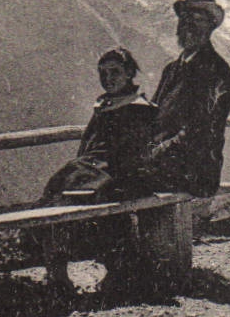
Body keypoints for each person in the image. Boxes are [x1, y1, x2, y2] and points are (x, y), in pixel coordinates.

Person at [143, 0, 230, 198]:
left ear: (210, 27)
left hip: (194, 170)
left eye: (197, 19)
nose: (189, 25)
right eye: (185, 18)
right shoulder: (172, 69)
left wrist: (157, 151)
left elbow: (201, 130)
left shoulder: (216, 71)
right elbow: (152, 115)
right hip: (164, 163)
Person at [39, 47, 159, 203]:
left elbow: (127, 159)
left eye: (114, 72)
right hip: (96, 171)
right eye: (103, 73)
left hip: (116, 178)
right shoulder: (107, 106)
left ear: (129, 73)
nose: (108, 79)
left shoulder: (137, 110)